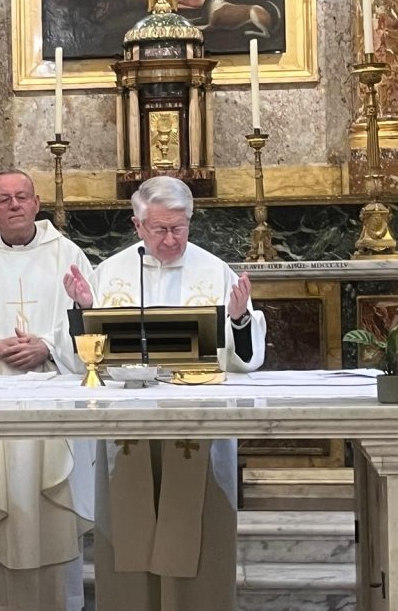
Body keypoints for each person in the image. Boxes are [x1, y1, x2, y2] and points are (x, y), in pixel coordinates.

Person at [63, 175, 266, 611]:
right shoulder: (111, 272)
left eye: (179, 227)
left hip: (198, 425)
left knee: (198, 527)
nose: (171, 239)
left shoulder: (215, 271)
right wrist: (84, 310)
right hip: (126, 428)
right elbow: (84, 360)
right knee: (128, 524)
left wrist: (238, 320)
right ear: (138, 225)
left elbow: (246, 357)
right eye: (160, 229)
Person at [0, 170, 95, 611]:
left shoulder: (68, 254)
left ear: (36, 203)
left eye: (22, 197)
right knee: (1, 504)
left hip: (55, 396)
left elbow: (93, 316)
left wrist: (48, 346)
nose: (14, 205)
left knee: (53, 505)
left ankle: (63, 603)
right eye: (4, 199)